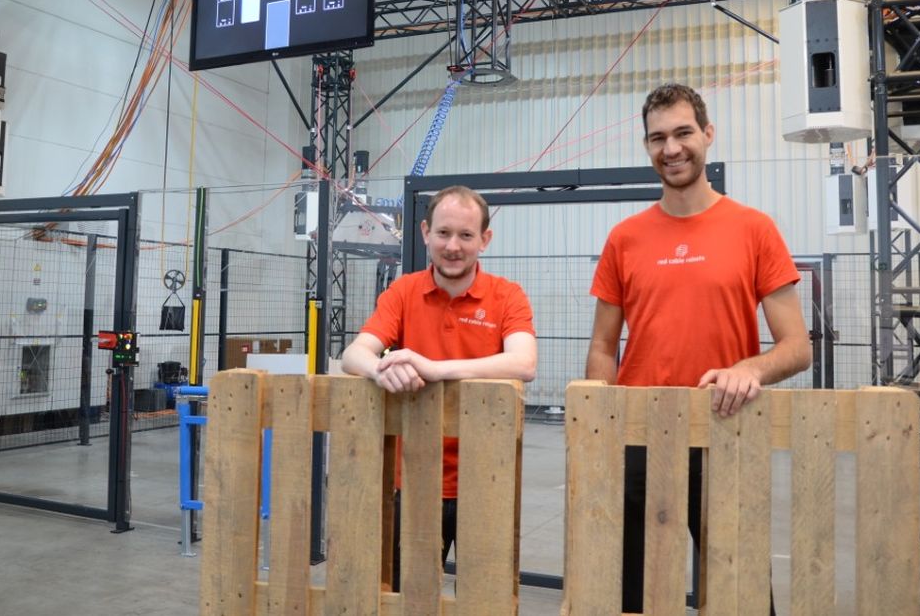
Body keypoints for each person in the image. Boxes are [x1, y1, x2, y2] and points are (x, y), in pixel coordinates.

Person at [585, 83, 811, 613]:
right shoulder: (624, 238)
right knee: (631, 593)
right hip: (640, 437)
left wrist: (750, 369)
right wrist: (601, 425)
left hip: (726, 432)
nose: (671, 148)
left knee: (741, 593)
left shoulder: (754, 229)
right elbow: (602, 346)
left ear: (708, 135)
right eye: (657, 138)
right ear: (647, 146)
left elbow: (798, 346)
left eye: (683, 133)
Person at [340, 184, 537, 574]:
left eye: (466, 235)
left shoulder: (507, 296)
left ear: (485, 239)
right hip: (413, 477)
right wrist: (382, 370)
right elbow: (353, 355)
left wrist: (433, 369)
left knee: (482, 596)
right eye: (444, 233)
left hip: (485, 478)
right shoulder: (404, 291)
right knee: (405, 592)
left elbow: (524, 363)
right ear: (426, 232)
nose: (453, 246)